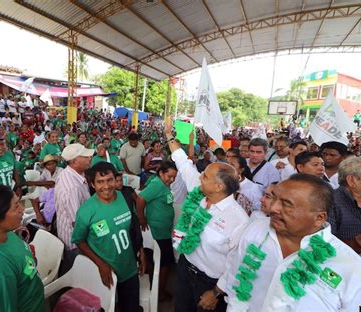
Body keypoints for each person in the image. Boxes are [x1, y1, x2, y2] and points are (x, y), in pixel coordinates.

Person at [215, 174, 361, 311]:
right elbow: (236, 277)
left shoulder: (352, 270)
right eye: (274, 198)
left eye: (287, 204)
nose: (274, 208)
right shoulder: (256, 229)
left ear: (319, 218)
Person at [164, 119, 249, 312]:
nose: (200, 176)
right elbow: (183, 163)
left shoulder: (238, 220)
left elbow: (237, 263)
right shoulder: (200, 191)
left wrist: (217, 292)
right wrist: (169, 135)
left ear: (219, 187)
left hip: (210, 284)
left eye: (205, 176)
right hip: (185, 269)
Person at [72, 162, 145, 312]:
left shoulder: (125, 198)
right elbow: (79, 240)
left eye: (110, 180)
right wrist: (100, 264)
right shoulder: (86, 211)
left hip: (130, 268)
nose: (106, 186)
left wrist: (141, 252)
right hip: (106, 272)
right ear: (92, 184)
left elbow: (133, 228)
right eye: (100, 182)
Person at [136, 161, 177, 302]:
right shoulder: (157, 184)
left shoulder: (161, 184)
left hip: (163, 230)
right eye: (169, 176)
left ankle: (157, 288)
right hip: (157, 230)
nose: (171, 180)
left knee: (159, 261)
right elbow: (141, 198)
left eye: (174, 178)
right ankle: (159, 292)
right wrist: (141, 218)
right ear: (161, 173)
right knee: (165, 262)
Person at [54, 143, 93, 273]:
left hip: (70, 236)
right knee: (77, 274)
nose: (89, 158)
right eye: (85, 156)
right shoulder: (72, 188)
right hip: (76, 243)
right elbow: (77, 222)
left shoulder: (70, 174)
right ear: (74, 161)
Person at [328, 156, 361, 265]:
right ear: (352, 180)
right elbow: (320, 244)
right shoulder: (330, 202)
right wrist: (354, 244)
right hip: (345, 271)